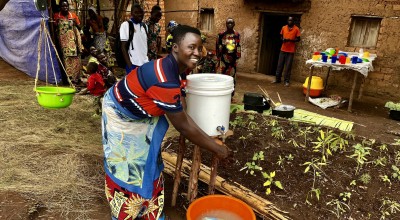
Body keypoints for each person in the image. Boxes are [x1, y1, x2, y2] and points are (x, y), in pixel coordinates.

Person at [102, 25, 231, 220]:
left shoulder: (172, 67)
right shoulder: (164, 79)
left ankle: (151, 210)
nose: (197, 52)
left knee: (149, 161)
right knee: (128, 167)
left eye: (199, 48)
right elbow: (183, 125)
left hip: (138, 111)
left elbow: (182, 108)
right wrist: (217, 149)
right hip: (121, 116)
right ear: (175, 48)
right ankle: (129, 212)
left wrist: (204, 135)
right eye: (191, 47)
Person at [53, 0, 84, 84]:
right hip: (63, 44)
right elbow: (54, 29)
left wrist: (75, 24)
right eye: (63, 6)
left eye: (66, 6)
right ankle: (69, 80)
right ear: (60, 7)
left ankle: (76, 79)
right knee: (66, 61)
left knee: (76, 60)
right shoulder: (56, 16)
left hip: (73, 43)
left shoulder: (73, 16)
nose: (65, 8)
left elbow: (79, 28)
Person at [120, 4, 149, 74]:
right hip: (133, 64)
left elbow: (144, 45)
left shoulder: (145, 26)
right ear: (132, 13)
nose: (139, 14)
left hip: (145, 64)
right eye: (137, 12)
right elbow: (123, 47)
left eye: (141, 12)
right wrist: (130, 66)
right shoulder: (126, 25)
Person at [272, 16, 301, 87]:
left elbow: (298, 39)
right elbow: (281, 36)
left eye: (291, 21)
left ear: (293, 21)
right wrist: (283, 39)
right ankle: (277, 79)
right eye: (289, 20)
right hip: (283, 49)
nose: (289, 22)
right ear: (287, 21)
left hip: (290, 51)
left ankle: (286, 81)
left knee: (288, 67)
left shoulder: (296, 29)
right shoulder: (283, 28)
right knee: (279, 65)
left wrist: (291, 40)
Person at [216, 18, 241, 94]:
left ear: (234, 24)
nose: (230, 25)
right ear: (226, 24)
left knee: (232, 76)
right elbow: (217, 46)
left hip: (233, 60)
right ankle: (222, 92)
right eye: (228, 23)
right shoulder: (221, 34)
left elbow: (238, 46)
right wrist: (218, 57)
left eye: (231, 23)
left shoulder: (237, 35)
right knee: (222, 75)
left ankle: (231, 94)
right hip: (223, 59)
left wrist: (237, 57)